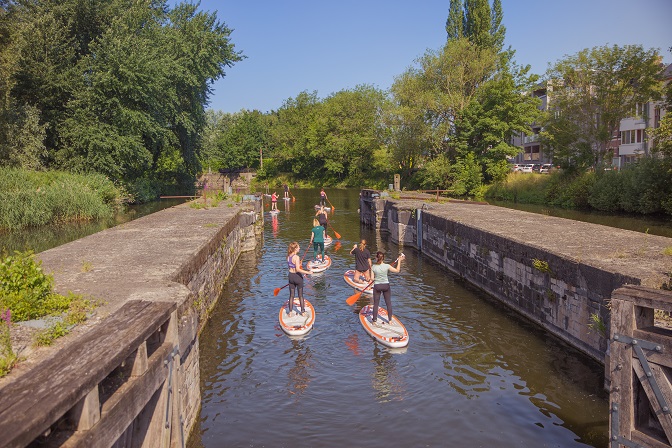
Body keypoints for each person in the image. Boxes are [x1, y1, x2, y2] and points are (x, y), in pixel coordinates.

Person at [370, 251, 405, 325]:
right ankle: (390, 321)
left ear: (376, 258)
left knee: (376, 304)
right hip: (386, 286)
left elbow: (372, 279)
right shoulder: (387, 266)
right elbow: (397, 270)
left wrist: (376, 277)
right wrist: (399, 261)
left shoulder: (373, 267)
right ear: (383, 258)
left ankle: (374, 321)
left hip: (377, 286)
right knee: (388, 303)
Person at [286, 241, 311, 316]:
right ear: (295, 249)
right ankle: (303, 312)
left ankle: (290, 312)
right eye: (298, 247)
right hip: (297, 277)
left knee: (291, 295)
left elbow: (291, 267)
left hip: (290, 276)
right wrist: (308, 272)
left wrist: (299, 264)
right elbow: (298, 269)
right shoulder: (296, 257)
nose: (300, 248)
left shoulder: (288, 257)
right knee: (300, 295)